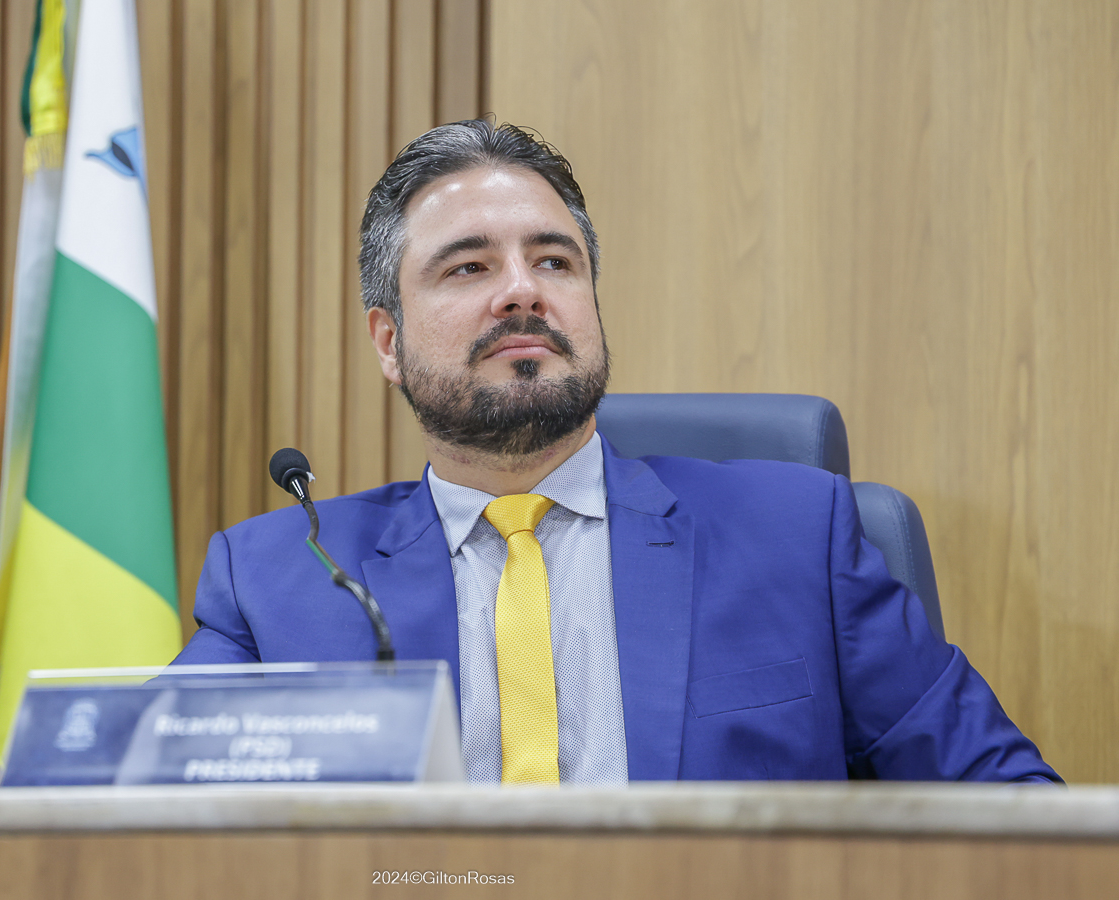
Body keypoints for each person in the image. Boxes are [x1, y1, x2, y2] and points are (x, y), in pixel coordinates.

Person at [172, 120, 1060, 785]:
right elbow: (133, 812)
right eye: (469, 267)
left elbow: (1012, 807)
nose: (522, 291)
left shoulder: (796, 537)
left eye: (555, 262)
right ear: (389, 341)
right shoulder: (281, 577)